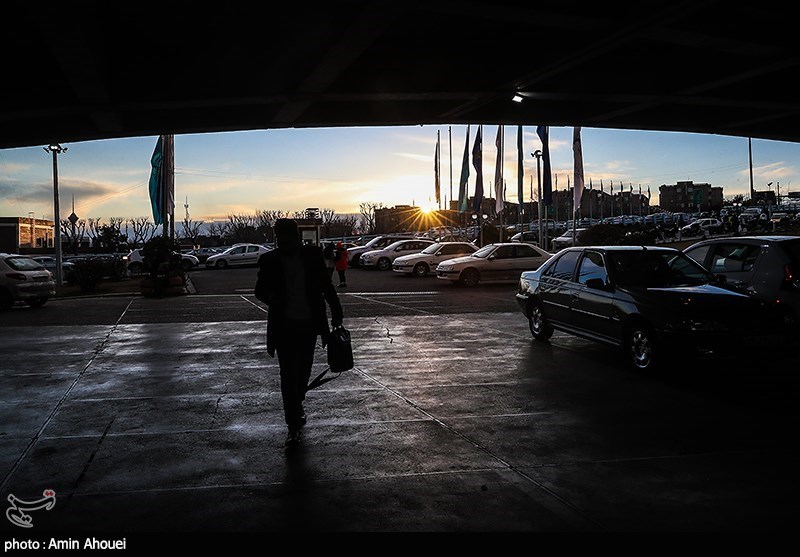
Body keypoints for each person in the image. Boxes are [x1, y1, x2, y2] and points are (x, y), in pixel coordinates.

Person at [254, 219, 344, 447]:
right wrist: (274, 299)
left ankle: (297, 402)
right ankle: (292, 424)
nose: (282, 240)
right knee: (287, 376)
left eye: (286, 236)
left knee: (302, 373)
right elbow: (259, 291)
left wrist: (336, 310)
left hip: (309, 325)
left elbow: (326, 285)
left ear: (295, 236)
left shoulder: (312, 256)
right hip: (284, 327)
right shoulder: (270, 260)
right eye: (279, 236)